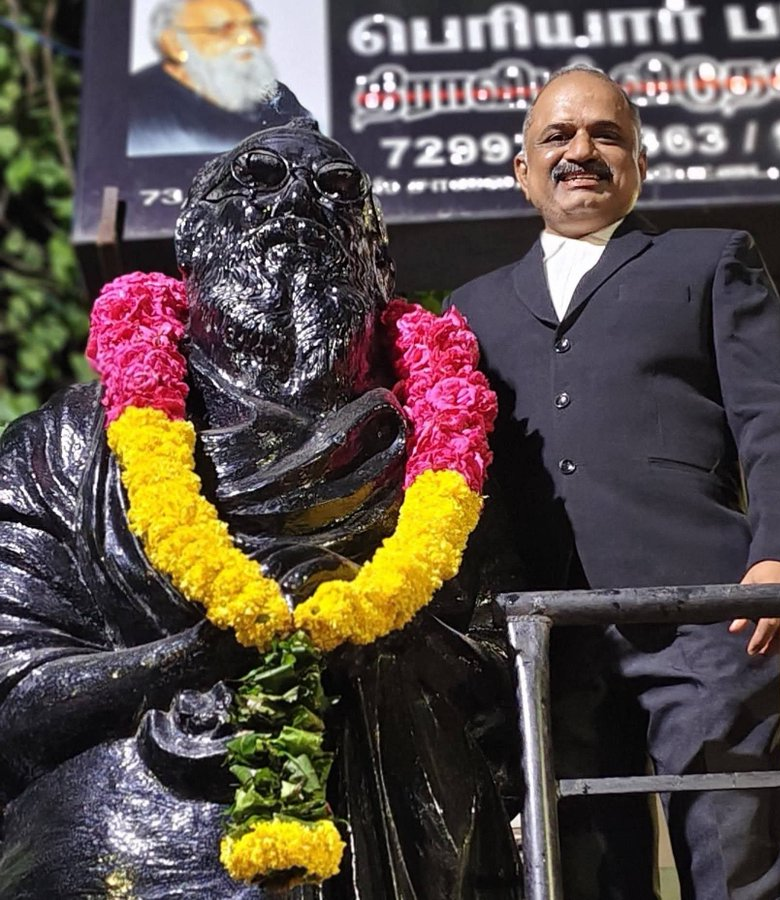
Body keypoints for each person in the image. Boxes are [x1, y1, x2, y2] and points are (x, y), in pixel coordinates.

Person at [0, 118, 521, 898]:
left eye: (335, 191)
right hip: (123, 845)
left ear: (380, 263)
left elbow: (495, 673)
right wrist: (197, 654)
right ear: (191, 242)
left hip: (389, 836)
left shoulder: (445, 457)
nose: (298, 200)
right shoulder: (61, 447)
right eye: (260, 179)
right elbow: (14, 695)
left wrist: (365, 637)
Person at [449, 65, 780, 900]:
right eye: (558, 136)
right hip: (548, 635)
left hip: (709, 616)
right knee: (583, 870)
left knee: (736, 860)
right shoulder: (469, 309)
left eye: (605, 135)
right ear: (522, 171)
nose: (581, 151)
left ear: (639, 164)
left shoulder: (709, 261)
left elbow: (771, 417)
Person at [127, 0, 308, 156]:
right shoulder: (134, 110)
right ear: (173, 43)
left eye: (253, 26)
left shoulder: (276, 96)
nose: (249, 37)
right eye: (225, 28)